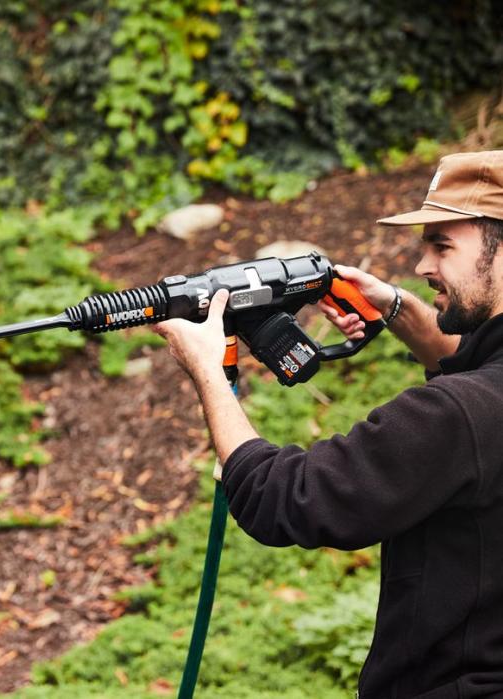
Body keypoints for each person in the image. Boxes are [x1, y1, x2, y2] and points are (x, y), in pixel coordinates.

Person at [154, 150, 503, 697]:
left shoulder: (459, 416)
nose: (421, 267)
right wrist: (393, 307)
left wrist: (208, 373)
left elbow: (284, 499)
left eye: (442, 245)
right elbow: (477, 360)